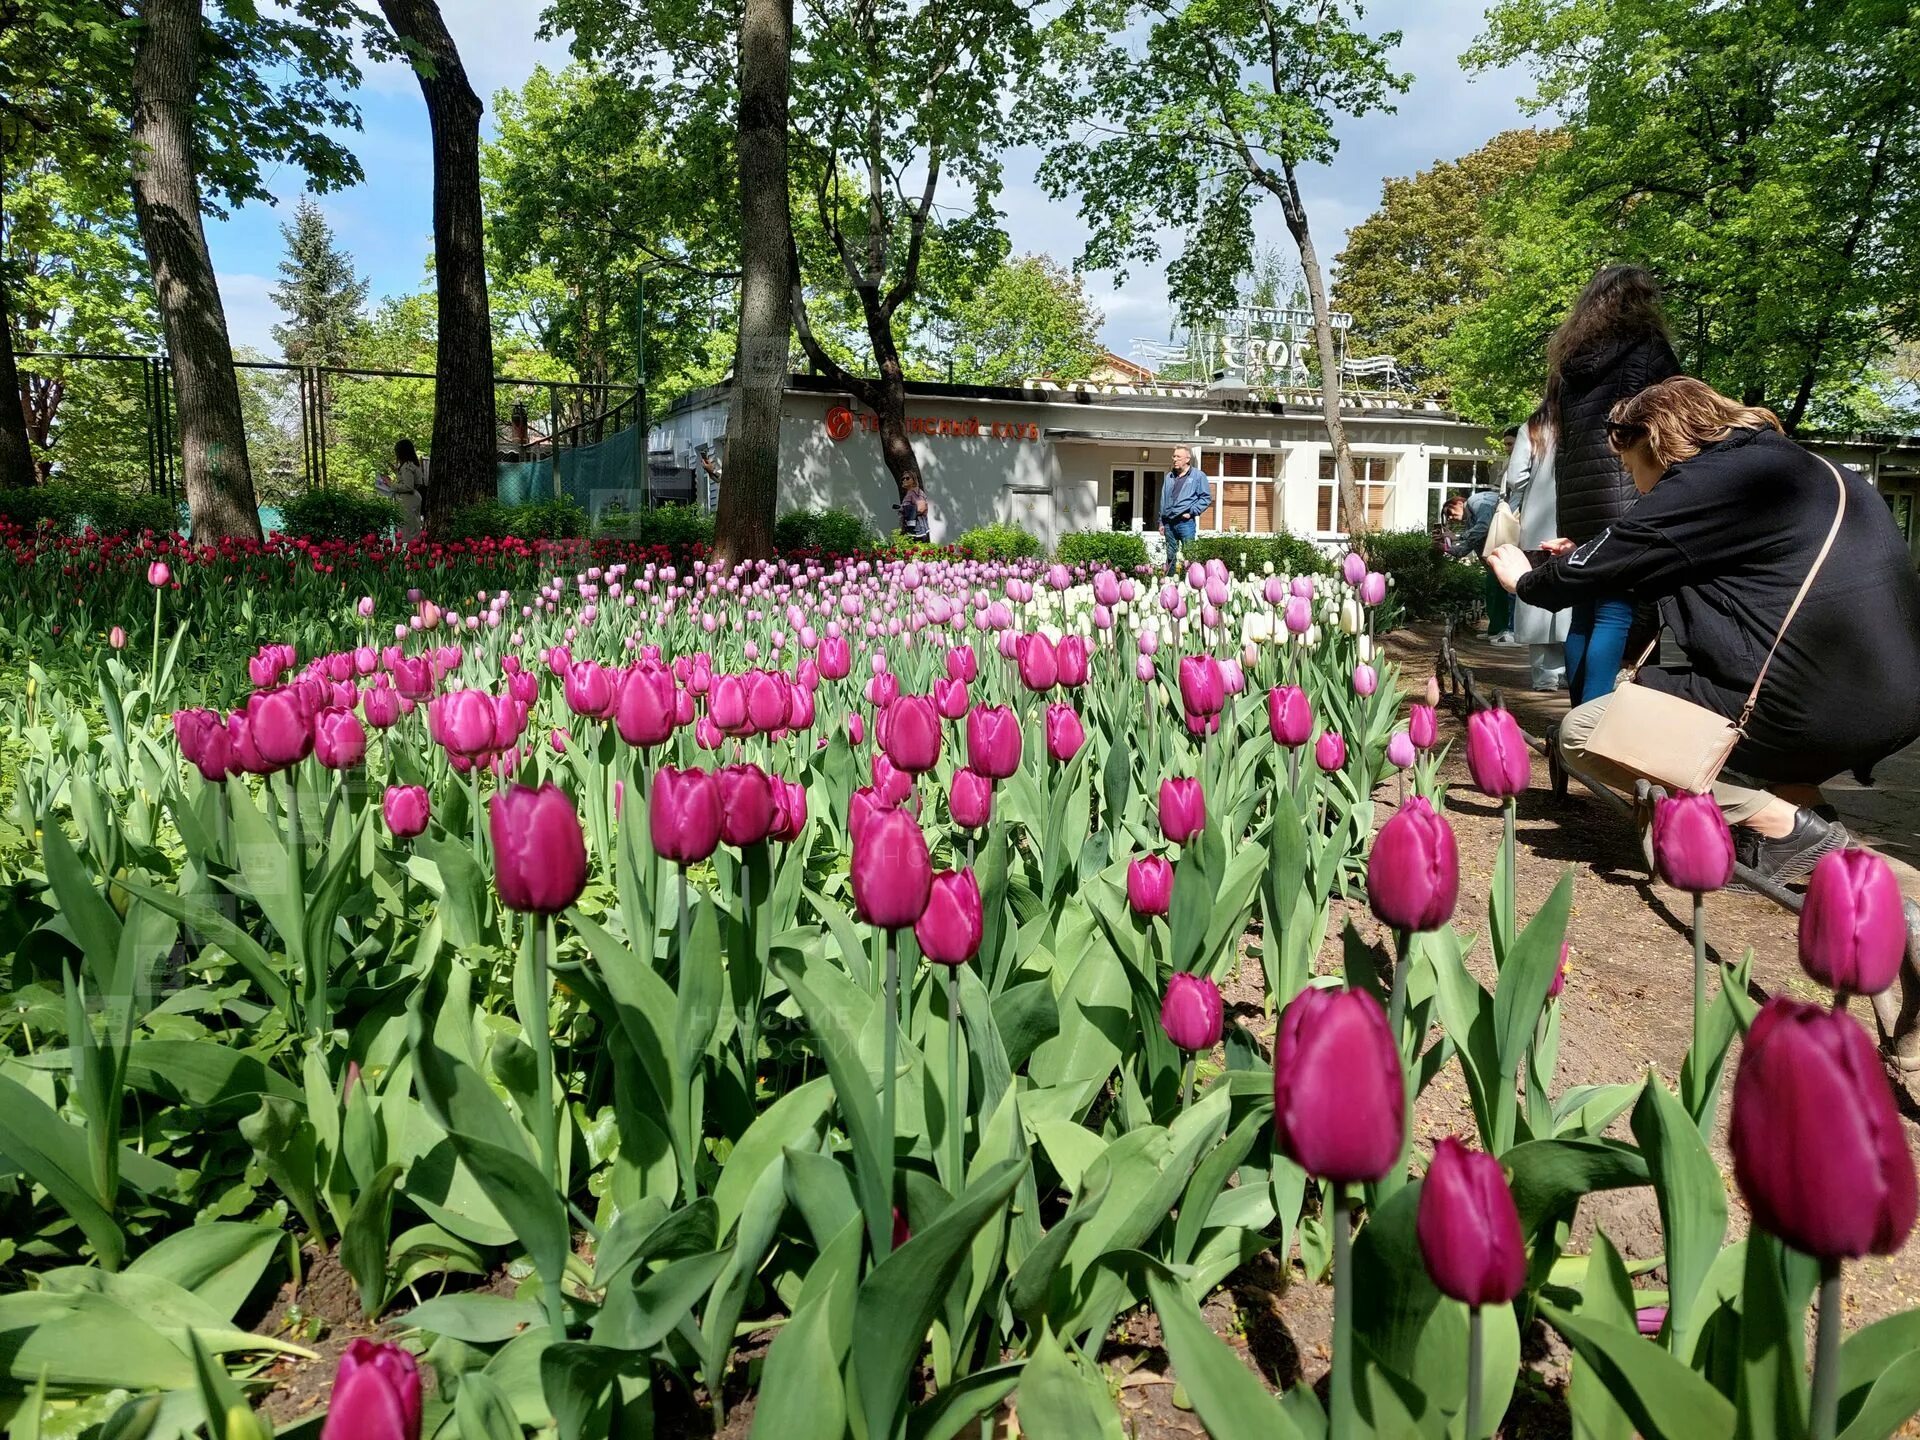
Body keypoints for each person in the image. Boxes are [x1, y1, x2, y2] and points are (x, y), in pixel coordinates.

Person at [1487, 377, 1920, 887]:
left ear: (1652, 440)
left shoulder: (1710, 478)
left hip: (1804, 709)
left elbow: (1607, 558)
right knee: (1705, 710)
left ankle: (1778, 823)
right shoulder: (1810, 470)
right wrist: (1587, 555)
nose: (1637, 485)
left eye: (1631, 468)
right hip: (1893, 704)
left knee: (1586, 733)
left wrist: (1525, 581)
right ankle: (1808, 815)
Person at [1547, 265, 1680, 704]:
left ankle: (1577, 714)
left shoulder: (1567, 361)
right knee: (1617, 609)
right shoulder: (1648, 348)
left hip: (1577, 496)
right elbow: (1677, 413)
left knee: (1585, 607)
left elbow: (1562, 435)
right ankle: (1595, 717)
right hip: (1627, 487)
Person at [1503, 398, 1570, 688]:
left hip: (1538, 523)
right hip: (1575, 518)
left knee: (1538, 590)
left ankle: (1545, 675)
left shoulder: (1532, 427)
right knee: (1573, 589)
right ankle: (1571, 668)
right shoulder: (1580, 421)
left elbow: (1516, 477)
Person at [1436, 489, 1515, 643]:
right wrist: (1447, 549)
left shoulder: (1477, 501)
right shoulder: (1470, 520)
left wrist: (1457, 536)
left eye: (1450, 512)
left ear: (1459, 502)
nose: (1452, 518)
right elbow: (1467, 546)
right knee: (1492, 591)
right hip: (1495, 557)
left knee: (1502, 592)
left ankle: (1507, 630)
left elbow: (1483, 527)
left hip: (1504, 551)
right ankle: (1496, 629)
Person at [1159, 445, 1212, 575]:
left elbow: (1206, 498)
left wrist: (1192, 512)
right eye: (1174, 456)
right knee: (1171, 556)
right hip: (1169, 523)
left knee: (1189, 556)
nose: (1175, 459)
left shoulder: (1198, 476)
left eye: (1178, 457)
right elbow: (1163, 499)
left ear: (1187, 459)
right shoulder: (1169, 477)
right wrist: (1161, 521)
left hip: (1185, 523)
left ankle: (1190, 584)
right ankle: (1170, 584)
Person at [387, 438, 427, 539]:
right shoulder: (412, 464)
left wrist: (391, 485)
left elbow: (409, 486)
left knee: (408, 529)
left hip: (408, 500)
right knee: (413, 526)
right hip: (413, 499)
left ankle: (410, 550)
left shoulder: (407, 466)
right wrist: (397, 471)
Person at [897, 475, 931, 541]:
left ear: (913, 480)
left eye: (907, 478)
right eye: (902, 479)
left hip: (916, 528)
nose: (904, 480)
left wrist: (903, 509)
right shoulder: (915, 492)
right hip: (917, 526)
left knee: (915, 548)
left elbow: (921, 508)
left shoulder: (914, 493)